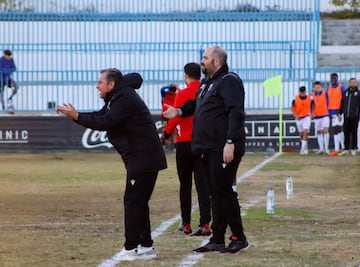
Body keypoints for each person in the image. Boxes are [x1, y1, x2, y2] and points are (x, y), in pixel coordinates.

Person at [56, 69, 167, 261]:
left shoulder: (124, 98)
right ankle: (146, 246)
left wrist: (76, 116)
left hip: (143, 158)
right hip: (143, 158)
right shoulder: (117, 97)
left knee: (132, 202)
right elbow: (100, 116)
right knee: (138, 203)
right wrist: (77, 115)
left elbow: (106, 122)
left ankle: (131, 247)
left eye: (100, 82)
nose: (97, 86)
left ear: (111, 85)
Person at [164, 45, 249, 254]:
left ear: (216, 61)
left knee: (224, 191)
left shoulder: (229, 81)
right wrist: (178, 110)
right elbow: (195, 104)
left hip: (222, 147)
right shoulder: (208, 83)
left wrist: (230, 142)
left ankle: (238, 237)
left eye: (205, 58)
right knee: (216, 193)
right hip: (207, 148)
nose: (202, 61)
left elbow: (235, 112)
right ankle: (217, 238)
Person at [163, 62, 211, 236]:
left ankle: (186, 224)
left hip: (184, 144)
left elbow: (175, 117)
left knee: (185, 185)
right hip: (201, 143)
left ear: (186, 75)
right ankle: (205, 223)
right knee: (203, 185)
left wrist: (166, 134)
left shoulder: (182, 94)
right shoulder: (205, 91)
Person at [338, 78, 360, 156]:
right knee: (346, 132)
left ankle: (354, 148)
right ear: (349, 83)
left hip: (355, 116)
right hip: (346, 115)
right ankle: (346, 148)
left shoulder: (358, 93)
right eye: (351, 82)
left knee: (354, 132)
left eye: (354, 82)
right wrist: (340, 113)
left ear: (356, 84)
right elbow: (342, 103)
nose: (353, 84)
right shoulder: (345, 93)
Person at [291, 86, 315, 155]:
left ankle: (302, 150)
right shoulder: (295, 98)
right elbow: (292, 107)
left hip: (306, 117)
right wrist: (295, 115)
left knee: (305, 132)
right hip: (298, 117)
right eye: (301, 93)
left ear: (305, 92)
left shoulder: (310, 97)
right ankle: (305, 147)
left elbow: (314, 104)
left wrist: (312, 113)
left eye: (303, 92)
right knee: (301, 134)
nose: (302, 94)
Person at [327, 73, 346, 156]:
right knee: (335, 130)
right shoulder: (329, 88)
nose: (333, 79)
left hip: (339, 112)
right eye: (332, 78)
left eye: (335, 78)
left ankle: (343, 147)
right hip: (332, 112)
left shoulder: (341, 87)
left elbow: (344, 100)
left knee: (339, 128)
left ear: (337, 78)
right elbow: (328, 101)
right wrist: (329, 113)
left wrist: (340, 112)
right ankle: (336, 148)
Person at [312, 81, 330, 155]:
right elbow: (311, 105)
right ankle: (321, 148)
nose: (317, 89)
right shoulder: (312, 95)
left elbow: (328, 102)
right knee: (319, 131)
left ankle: (326, 148)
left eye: (318, 87)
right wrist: (312, 113)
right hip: (316, 116)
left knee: (325, 130)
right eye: (316, 87)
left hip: (324, 115)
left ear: (321, 87)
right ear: (314, 88)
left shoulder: (325, 93)